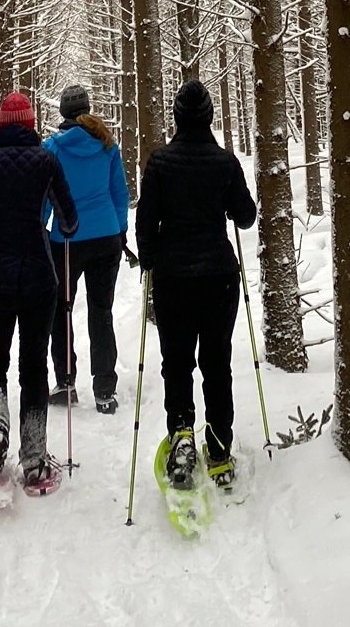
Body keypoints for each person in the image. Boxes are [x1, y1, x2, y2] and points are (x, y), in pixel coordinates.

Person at [135, 77, 257, 494]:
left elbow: (145, 223)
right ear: (208, 118)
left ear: (176, 117)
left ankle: (182, 437)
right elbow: (246, 216)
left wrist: (149, 259)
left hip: (173, 280)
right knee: (216, 363)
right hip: (218, 279)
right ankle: (219, 451)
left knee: (177, 363)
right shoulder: (224, 162)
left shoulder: (160, 163)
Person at [0, 90, 79, 489]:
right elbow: (69, 219)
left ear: (0, 126)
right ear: (30, 123)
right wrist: (59, 228)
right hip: (39, 276)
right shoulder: (47, 160)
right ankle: (35, 458)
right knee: (33, 366)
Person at [44, 83, 130, 413]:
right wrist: (120, 230)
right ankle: (104, 390)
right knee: (101, 312)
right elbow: (119, 194)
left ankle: (66, 382)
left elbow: (47, 199)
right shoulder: (107, 145)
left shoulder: (53, 148)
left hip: (66, 240)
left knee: (60, 312)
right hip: (106, 235)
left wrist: (43, 226)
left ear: (63, 113)